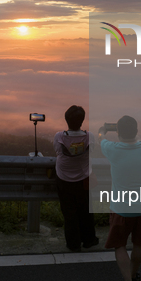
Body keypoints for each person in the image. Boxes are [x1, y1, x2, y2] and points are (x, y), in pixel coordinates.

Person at [99, 115, 141, 281]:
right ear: (137, 131)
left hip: (122, 209)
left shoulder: (112, 149)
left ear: (119, 132)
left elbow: (100, 136)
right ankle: (133, 273)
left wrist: (105, 129)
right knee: (139, 243)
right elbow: (135, 139)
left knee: (119, 245)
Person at [53, 105, 98, 252]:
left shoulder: (59, 136)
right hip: (84, 178)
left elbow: (58, 152)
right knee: (86, 210)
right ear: (82, 120)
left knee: (69, 213)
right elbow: (92, 152)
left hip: (64, 179)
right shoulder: (89, 136)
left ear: (67, 120)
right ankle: (89, 240)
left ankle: (73, 244)